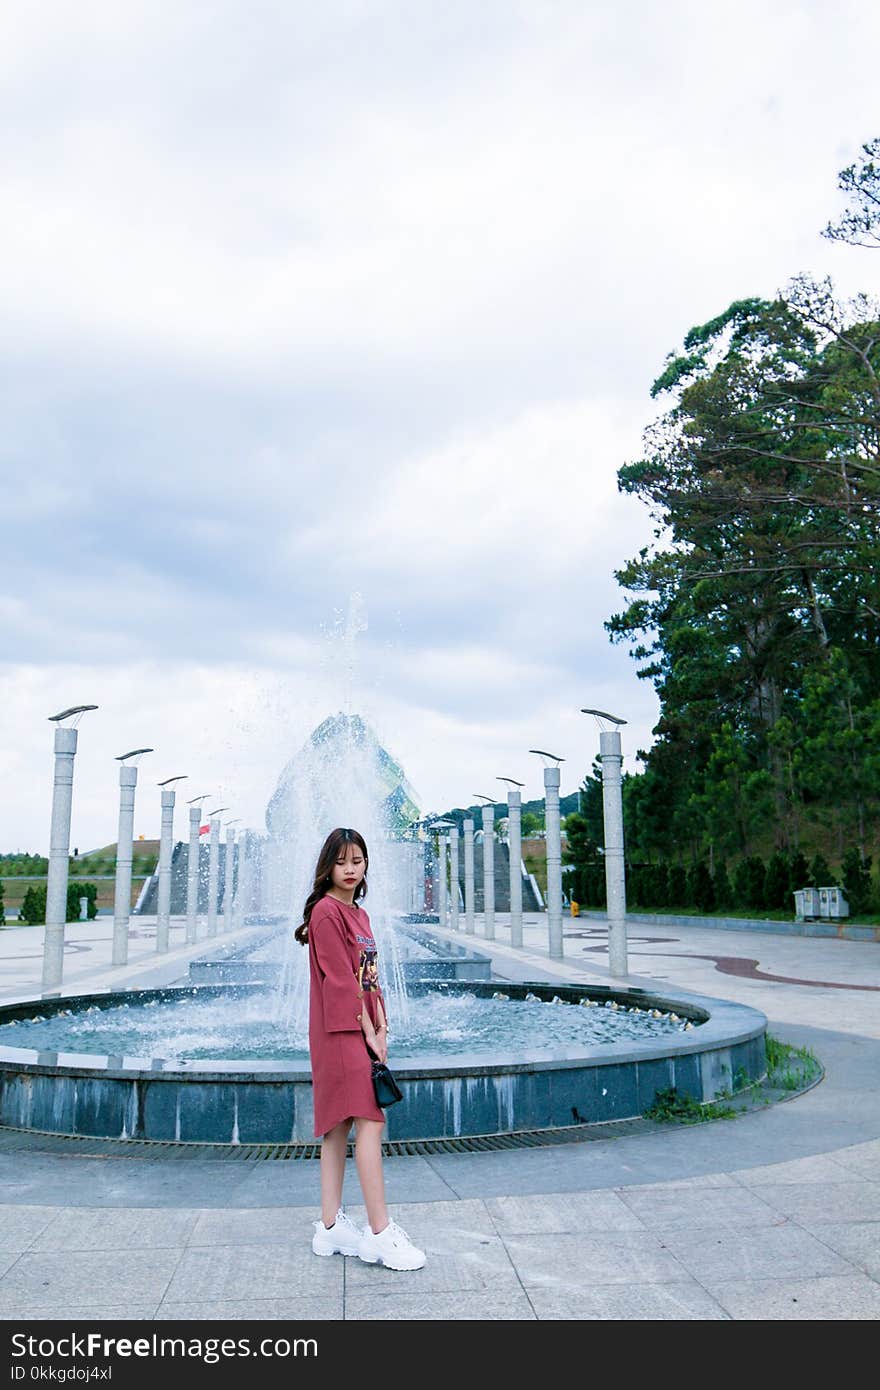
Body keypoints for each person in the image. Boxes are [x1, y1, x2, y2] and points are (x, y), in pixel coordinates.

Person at [295, 826, 426, 1271]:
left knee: (337, 1128)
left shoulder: (360, 915)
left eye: (357, 860)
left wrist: (383, 1024)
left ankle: (329, 1229)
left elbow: (370, 978)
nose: (350, 869)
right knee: (369, 1122)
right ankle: (381, 1233)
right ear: (327, 867)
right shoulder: (327, 913)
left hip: (361, 1028)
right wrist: (368, 1029)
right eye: (341, 861)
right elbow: (339, 979)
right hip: (340, 1033)